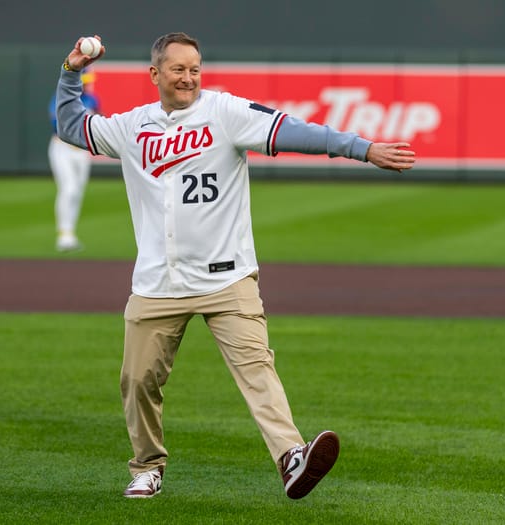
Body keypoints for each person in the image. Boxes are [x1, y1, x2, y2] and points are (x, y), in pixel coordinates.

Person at [55, 32, 415, 500]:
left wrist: (362, 148)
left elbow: (296, 131)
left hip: (228, 277)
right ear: (155, 74)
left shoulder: (225, 112)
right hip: (157, 283)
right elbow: (71, 126)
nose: (188, 77)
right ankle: (147, 466)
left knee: (256, 369)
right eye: (179, 68)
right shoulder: (130, 127)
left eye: (195, 68)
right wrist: (71, 71)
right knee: (138, 379)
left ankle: (291, 458)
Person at [48, 72, 101, 252]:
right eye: (84, 83)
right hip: (62, 148)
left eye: (88, 83)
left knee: (77, 192)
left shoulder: (92, 100)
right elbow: (56, 124)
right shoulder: (62, 99)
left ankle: (70, 233)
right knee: (68, 189)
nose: (87, 86)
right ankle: (63, 235)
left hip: (82, 151)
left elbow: (100, 120)